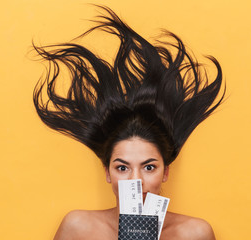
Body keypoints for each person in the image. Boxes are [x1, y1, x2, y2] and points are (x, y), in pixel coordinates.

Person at [33, 6, 225, 240]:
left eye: (149, 167)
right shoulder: (78, 228)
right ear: (107, 172)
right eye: (122, 168)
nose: (136, 181)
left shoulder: (194, 233)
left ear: (165, 172)